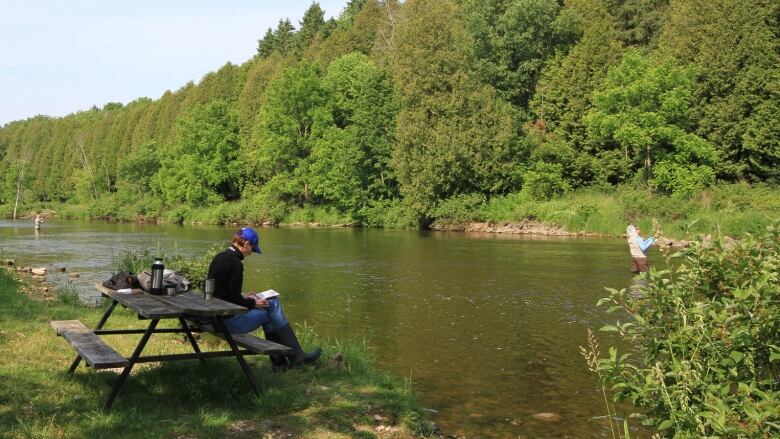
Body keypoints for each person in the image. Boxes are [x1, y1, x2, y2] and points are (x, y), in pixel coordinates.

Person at [207, 227, 321, 371]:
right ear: (246, 244)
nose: (251, 254)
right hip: (228, 323)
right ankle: (295, 357)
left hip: (216, 318)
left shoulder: (220, 257)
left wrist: (244, 296)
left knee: (269, 308)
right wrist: (254, 302)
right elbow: (234, 301)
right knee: (271, 305)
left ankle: (281, 363)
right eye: (252, 249)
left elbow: (222, 293)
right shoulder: (236, 264)